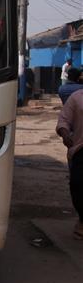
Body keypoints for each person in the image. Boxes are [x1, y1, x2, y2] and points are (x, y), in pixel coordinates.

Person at [56, 89, 83, 240]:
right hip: (81, 150)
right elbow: (63, 120)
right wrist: (65, 134)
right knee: (77, 185)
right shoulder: (77, 97)